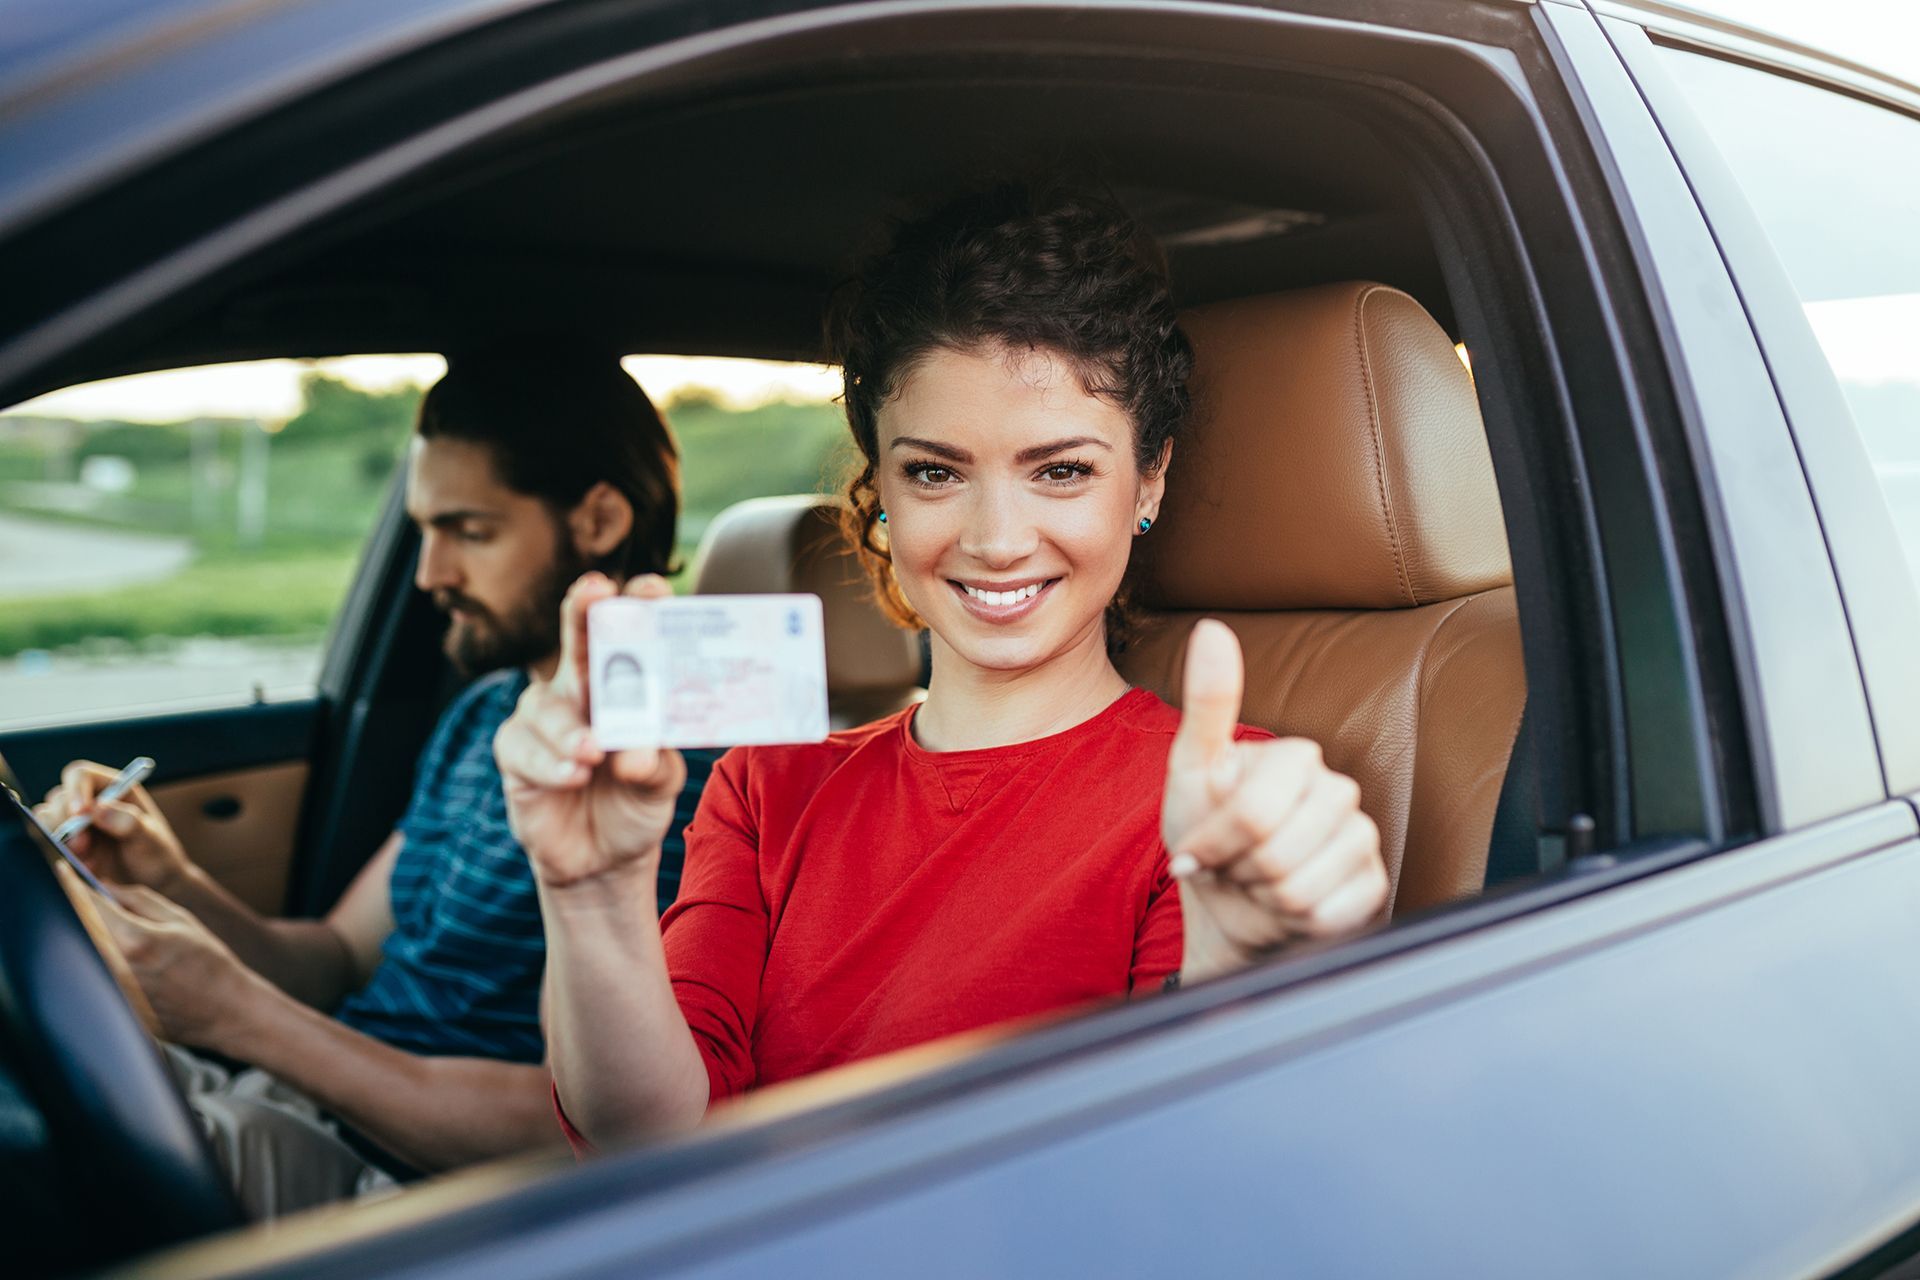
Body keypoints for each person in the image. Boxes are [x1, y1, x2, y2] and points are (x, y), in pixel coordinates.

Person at [495, 185, 1391, 1150]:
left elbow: (1190, 1161)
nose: (997, 540)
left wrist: (1238, 974)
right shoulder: (766, 787)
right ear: (877, 487)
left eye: (1061, 470)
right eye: (935, 472)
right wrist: (590, 894)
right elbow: (651, 1138)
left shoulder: (1223, 806)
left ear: (1152, 478)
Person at [37, 345, 712, 1216]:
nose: (430, 573)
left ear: (598, 520)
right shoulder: (485, 714)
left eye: (469, 532)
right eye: (424, 529)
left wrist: (238, 1017)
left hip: (424, 1186)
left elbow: (581, 1126)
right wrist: (171, 878)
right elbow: (332, 959)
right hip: (312, 1096)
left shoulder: (668, 768)